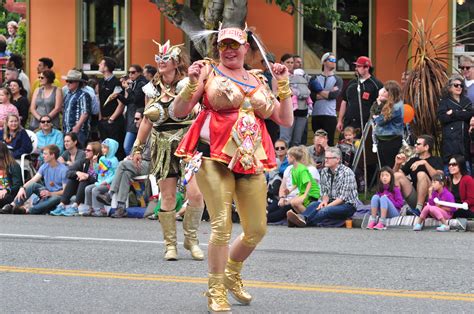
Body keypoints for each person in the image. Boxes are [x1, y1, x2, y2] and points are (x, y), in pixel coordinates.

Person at [173, 24, 293, 312]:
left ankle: (232, 273)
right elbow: (178, 111)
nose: (229, 50)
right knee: (221, 226)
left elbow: (285, 119)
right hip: (213, 157)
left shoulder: (259, 79)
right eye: (224, 45)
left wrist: (284, 84)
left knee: (256, 229)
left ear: (246, 48)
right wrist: (191, 83)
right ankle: (215, 289)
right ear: (218, 48)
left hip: (250, 158)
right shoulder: (207, 72)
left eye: (235, 45)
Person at [131, 40, 205, 262]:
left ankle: (191, 240)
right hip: (161, 144)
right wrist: (137, 147)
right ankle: (169, 245)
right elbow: (146, 120)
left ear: (176, 62)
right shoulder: (150, 89)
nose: (161, 63)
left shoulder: (187, 84)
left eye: (166, 59)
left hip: (186, 144)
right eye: (159, 59)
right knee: (168, 196)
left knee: (196, 194)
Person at [96, 109, 150, 218]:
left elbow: (151, 155)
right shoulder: (138, 135)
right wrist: (130, 157)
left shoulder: (152, 134)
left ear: (145, 120)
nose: (135, 121)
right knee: (125, 173)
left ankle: (110, 194)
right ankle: (121, 207)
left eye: (137, 119)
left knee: (122, 164)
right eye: (134, 119)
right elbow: (133, 153)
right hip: (137, 164)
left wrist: (133, 157)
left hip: (149, 164)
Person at [287, 147, 358, 227]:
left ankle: (304, 222)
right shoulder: (324, 171)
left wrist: (326, 206)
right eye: (325, 158)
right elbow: (325, 192)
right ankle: (302, 218)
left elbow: (341, 199)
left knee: (324, 210)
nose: (326, 160)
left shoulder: (347, 172)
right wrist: (324, 201)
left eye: (329, 158)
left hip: (347, 205)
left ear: (337, 160)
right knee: (314, 204)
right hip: (331, 201)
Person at [1, 144, 67, 215]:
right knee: (33, 185)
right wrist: (22, 188)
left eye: (45, 154)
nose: (42, 156)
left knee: (55, 198)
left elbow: (65, 192)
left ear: (52, 155)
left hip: (58, 195)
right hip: (46, 192)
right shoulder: (45, 166)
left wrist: (50, 193)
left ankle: (27, 210)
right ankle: (12, 205)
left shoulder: (63, 170)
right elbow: (33, 180)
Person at [393, 135, 443, 214]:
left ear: (426, 147)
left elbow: (440, 178)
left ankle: (418, 209)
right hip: (416, 197)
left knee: (421, 174)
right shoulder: (413, 160)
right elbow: (393, 177)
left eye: (418, 144)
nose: (415, 145)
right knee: (397, 176)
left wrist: (425, 163)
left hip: (432, 198)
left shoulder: (437, 160)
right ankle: (395, 207)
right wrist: (397, 164)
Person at [50, 141, 102, 217]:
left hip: (94, 186)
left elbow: (100, 180)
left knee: (83, 180)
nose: (85, 152)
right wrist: (78, 173)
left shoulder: (101, 163)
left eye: (88, 150)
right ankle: (62, 205)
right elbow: (68, 173)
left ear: (96, 152)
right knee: (73, 179)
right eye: (85, 149)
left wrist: (87, 176)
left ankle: (75, 206)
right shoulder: (84, 161)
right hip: (82, 187)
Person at [437, 75, 473, 172]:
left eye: (461, 85)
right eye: (456, 85)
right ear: (449, 88)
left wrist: (453, 112)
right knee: (450, 173)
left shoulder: (466, 101)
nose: (459, 87)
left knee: (466, 172)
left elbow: (470, 114)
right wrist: (462, 113)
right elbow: (443, 118)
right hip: (450, 141)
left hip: (464, 140)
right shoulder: (444, 102)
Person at [337, 56, 383, 132]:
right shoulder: (352, 83)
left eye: (358, 66)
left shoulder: (376, 85)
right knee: (345, 143)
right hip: (348, 123)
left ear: (367, 68)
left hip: (365, 125)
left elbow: (380, 105)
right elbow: (344, 101)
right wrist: (340, 120)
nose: (356, 68)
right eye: (356, 66)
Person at [311, 52, 343, 146]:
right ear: (324, 62)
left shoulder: (338, 79)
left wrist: (319, 91)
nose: (334, 62)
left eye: (335, 61)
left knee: (329, 143)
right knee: (317, 143)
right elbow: (312, 96)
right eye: (331, 60)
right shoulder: (314, 78)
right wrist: (328, 93)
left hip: (330, 115)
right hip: (316, 114)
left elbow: (334, 95)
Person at [279, 53, 312, 147]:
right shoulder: (279, 77)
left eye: (292, 62)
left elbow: (307, 91)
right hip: (288, 111)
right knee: (285, 140)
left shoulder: (301, 76)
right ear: (282, 63)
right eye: (288, 62)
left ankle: (294, 161)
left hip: (302, 110)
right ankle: (283, 161)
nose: (290, 64)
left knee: (297, 141)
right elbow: (275, 93)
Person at [97, 57, 125, 158]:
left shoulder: (116, 83)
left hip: (114, 122)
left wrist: (112, 118)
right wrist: (100, 119)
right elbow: (100, 101)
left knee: (116, 149)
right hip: (103, 121)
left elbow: (121, 104)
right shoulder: (100, 82)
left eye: (101, 64)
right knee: (105, 149)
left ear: (106, 67)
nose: (99, 65)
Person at [84, 138, 119, 217]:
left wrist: (107, 181)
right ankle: (90, 208)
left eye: (105, 148)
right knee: (88, 188)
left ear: (111, 149)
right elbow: (98, 172)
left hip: (108, 185)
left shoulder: (114, 160)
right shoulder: (102, 159)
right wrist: (95, 163)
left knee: (95, 190)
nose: (103, 150)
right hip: (100, 182)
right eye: (102, 147)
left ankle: (101, 209)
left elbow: (116, 175)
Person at [117, 64, 147, 155]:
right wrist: (118, 96)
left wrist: (128, 88)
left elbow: (135, 99)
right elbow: (128, 101)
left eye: (133, 72)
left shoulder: (142, 83)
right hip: (131, 118)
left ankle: (132, 163)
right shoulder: (134, 83)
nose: (130, 75)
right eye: (129, 72)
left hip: (138, 117)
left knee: (128, 146)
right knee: (130, 146)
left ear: (139, 73)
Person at [373, 80, 404, 168]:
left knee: (389, 166)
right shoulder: (389, 104)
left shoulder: (396, 106)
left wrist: (379, 105)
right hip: (383, 140)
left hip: (391, 141)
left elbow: (380, 121)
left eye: (385, 91)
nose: (383, 92)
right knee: (382, 166)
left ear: (391, 93)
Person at [285, 146, 320, 213]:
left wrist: (304, 195)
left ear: (293, 158)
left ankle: (307, 218)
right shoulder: (293, 169)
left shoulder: (302, 169)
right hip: (303, 191)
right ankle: (302, 216)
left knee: (296, 202)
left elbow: (309, 183)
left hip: (312, 192)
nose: (287, 158)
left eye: (288, 156)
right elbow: (296, 184)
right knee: (292, 202)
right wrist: (289, 191)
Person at [62, 69, 92, 147]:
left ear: (77, 82)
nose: (68, 83)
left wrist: (77, 127)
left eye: (70, 81)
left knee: (79, 152)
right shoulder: (68, 95)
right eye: (67, 81)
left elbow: (85, 113)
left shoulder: (83, 95)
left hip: (78, 131)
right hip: (67, 131)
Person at [447, 155, 474, 219]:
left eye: (454, 164)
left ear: (461, 165)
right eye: (449, 164)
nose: (451, 166)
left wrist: (460, 206)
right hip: (451, 208)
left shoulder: (468, 179)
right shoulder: (448, 180)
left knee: (458, 211)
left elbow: (471, 199)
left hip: (466, 209)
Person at [0, 142, 22, 212]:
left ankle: (8, 207)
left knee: (5, 198)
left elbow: (18, 185)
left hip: (9, 194)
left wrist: (6, 190)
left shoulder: (13, 166)